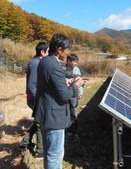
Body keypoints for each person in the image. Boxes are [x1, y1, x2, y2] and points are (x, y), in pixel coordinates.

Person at [33, 33, 84, 169]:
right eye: (66, 50)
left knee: (49, 152)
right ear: (60, 49)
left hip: (44, 113)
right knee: (55, 155)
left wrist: (64, 82)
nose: (67, 53)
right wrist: (75, 86)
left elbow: (50, 85)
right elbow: (64, 95)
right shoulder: (55, 66)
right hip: (53, 117)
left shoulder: (44, 61)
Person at [20, 42, 49, 159]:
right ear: (42, 52)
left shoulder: (36, 62)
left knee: (38, 121)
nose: (49, 54)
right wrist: (39, 99)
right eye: (48, 52)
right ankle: (40, 151)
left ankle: (25, 142)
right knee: (40, 123)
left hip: (35, 98)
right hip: (35, 99)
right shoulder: (35, 63)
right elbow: (32, 85)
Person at [64, 54, 84, 139]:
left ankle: (74, 132)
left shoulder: (76, 69)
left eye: (76, 62)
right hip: (65, 95)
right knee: (66, 114)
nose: (76, 63)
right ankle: (67, 132)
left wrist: (79, 93)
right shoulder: (62, 69)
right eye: (74, 61)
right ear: (68, 61)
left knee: (73, 113)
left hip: (73, 95)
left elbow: (80, 82)